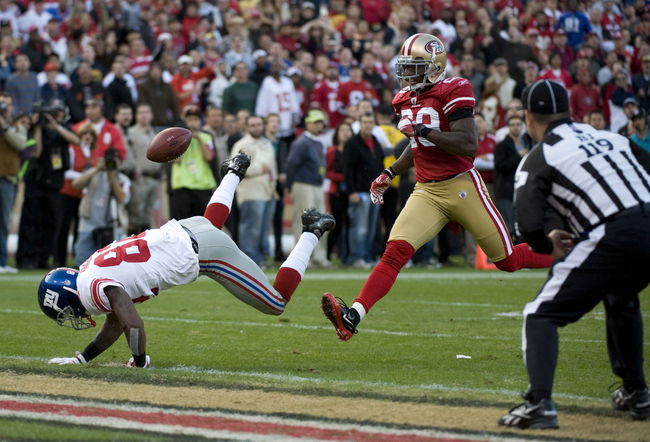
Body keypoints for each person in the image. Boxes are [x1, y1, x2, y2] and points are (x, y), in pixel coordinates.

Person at [321, 34, 553, 342]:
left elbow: (467, 144)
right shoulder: (404, 98)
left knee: (507, 261)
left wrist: (424, 130)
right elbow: (416, 144)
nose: (406, 73)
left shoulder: (455, 89)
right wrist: (390, 171)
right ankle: (352, 317)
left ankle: (563, 255)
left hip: (461, 185)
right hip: (427, 191)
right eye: (404, 66)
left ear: (434, 67)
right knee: (394, 254)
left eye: (413, 67)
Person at [39, 153, 335, 367]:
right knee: (212, 222)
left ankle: (311, 231)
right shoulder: (89, 268)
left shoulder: (90, 290)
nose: (70, 317)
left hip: (205, 252)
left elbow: (132, 324)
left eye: (64, 312)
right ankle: (234, 171)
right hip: (185, 228)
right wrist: (83, 358)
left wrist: (140, 361)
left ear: (68, 297)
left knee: (276, 302)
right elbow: (116, 322)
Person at [499, 79, 650, 429]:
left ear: (528, 116)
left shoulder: (540, 156)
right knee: (622, 298)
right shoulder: (613, 137)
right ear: (568, 110)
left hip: (615, 231)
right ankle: (638, 392)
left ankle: (540, 403)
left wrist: (545, 244)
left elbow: (528, 224)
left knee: (539, 314)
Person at [285, 109, 330, 268]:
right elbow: (291, 165)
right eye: (315, 122)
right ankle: (302, 257)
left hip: (316, 185)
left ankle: (320, 256)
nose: (318, 125)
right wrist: (289, 185)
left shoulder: (318, 141)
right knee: (303, 222)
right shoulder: (302, 143)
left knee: (320, 221)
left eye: (320, 122)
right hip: (303, 184)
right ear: (308, 124)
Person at [230, 115, 277, 266]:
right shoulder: (241, 145)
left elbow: (272, 167)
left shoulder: (267, 143)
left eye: (259, 124)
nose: (256, 128)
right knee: (251, 229)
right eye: (252, 125)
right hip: (250, 192)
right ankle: (249, 261)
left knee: (263, 230)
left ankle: (261, 259)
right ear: (246, 127)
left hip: (268, 192)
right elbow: (236, 168)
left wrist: (274, 186)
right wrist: (259, 168)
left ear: (263, 125)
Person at [0, 92, 27, 273]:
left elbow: (21, 144)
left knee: (3, 222)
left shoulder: (17, 126)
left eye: (8, 104)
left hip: (7, 179)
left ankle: (2, 261)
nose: (5, 108)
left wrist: (4, 127)